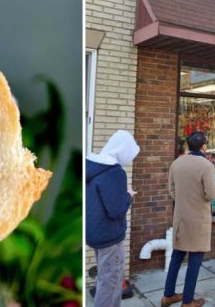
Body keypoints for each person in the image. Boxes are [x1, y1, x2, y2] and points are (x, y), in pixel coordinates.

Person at [161, 132, 215, 307]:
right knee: (195, 258)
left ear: (188, 146)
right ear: (204, 146)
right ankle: (188, 301)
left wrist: (183, 200)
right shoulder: (206, 166)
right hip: (198, 218)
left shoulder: (176, 163)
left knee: (177, 255)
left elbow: (171, 189)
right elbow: (212, 194)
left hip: (180, 216)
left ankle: (168, 295)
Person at [86, 130, 140, 307]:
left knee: (106, 279)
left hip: (94, 233)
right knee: (110, 285)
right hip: (110, 237)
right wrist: (129, 196)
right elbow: (116, 210)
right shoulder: (115, 172)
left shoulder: (91, 167)